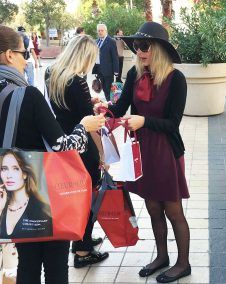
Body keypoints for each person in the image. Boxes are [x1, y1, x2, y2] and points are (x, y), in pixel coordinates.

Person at [0, 24, 105, 284]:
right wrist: (84, 126)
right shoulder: (27, 94)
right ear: (9, 55)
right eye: (24, 54)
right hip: (42, 189)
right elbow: (62, 146)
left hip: (10, 192)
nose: (27, 60)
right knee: (56, 266)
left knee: (27, 264)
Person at [95, 21, 191, 283]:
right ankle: (162, 257)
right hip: (141, 151)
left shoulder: (176, 79)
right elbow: (122, 104)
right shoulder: (135, 75)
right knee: (152, 208)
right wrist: (105, 112)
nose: (139, 51)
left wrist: (144, 121)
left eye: (144, 45)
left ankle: (183, 264)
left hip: (166, 152)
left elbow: (173, 123)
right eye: (136, 45)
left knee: (173, 210)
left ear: (158, 48)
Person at [46, 34, 109, 268]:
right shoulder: (77, 81)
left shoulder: (52, 74)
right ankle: (82, 251)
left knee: (75, 195)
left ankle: (82, 238)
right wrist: (104, 154)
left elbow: (66, 109)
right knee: (89, 196)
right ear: (84, 56)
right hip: (83, 145)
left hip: (65, 141)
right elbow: (90, 123)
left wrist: (88, 101)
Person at [0, 149, 52, 238]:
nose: (8, 175)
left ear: (24, 174)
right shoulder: (2, 205)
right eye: (4, 169)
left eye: (15, 169)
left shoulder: (41, 210)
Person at [93, 23, 119, 101]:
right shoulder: (96, 41)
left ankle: (111, 105)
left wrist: (116, 71)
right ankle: (108, 103)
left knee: (109, 89)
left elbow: (115, 57)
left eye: (102, 30)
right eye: (99, 31)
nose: (100, 32)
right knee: (103, 88)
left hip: (108, 70)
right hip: (99, 69)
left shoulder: (111, 41)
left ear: (106, 31)